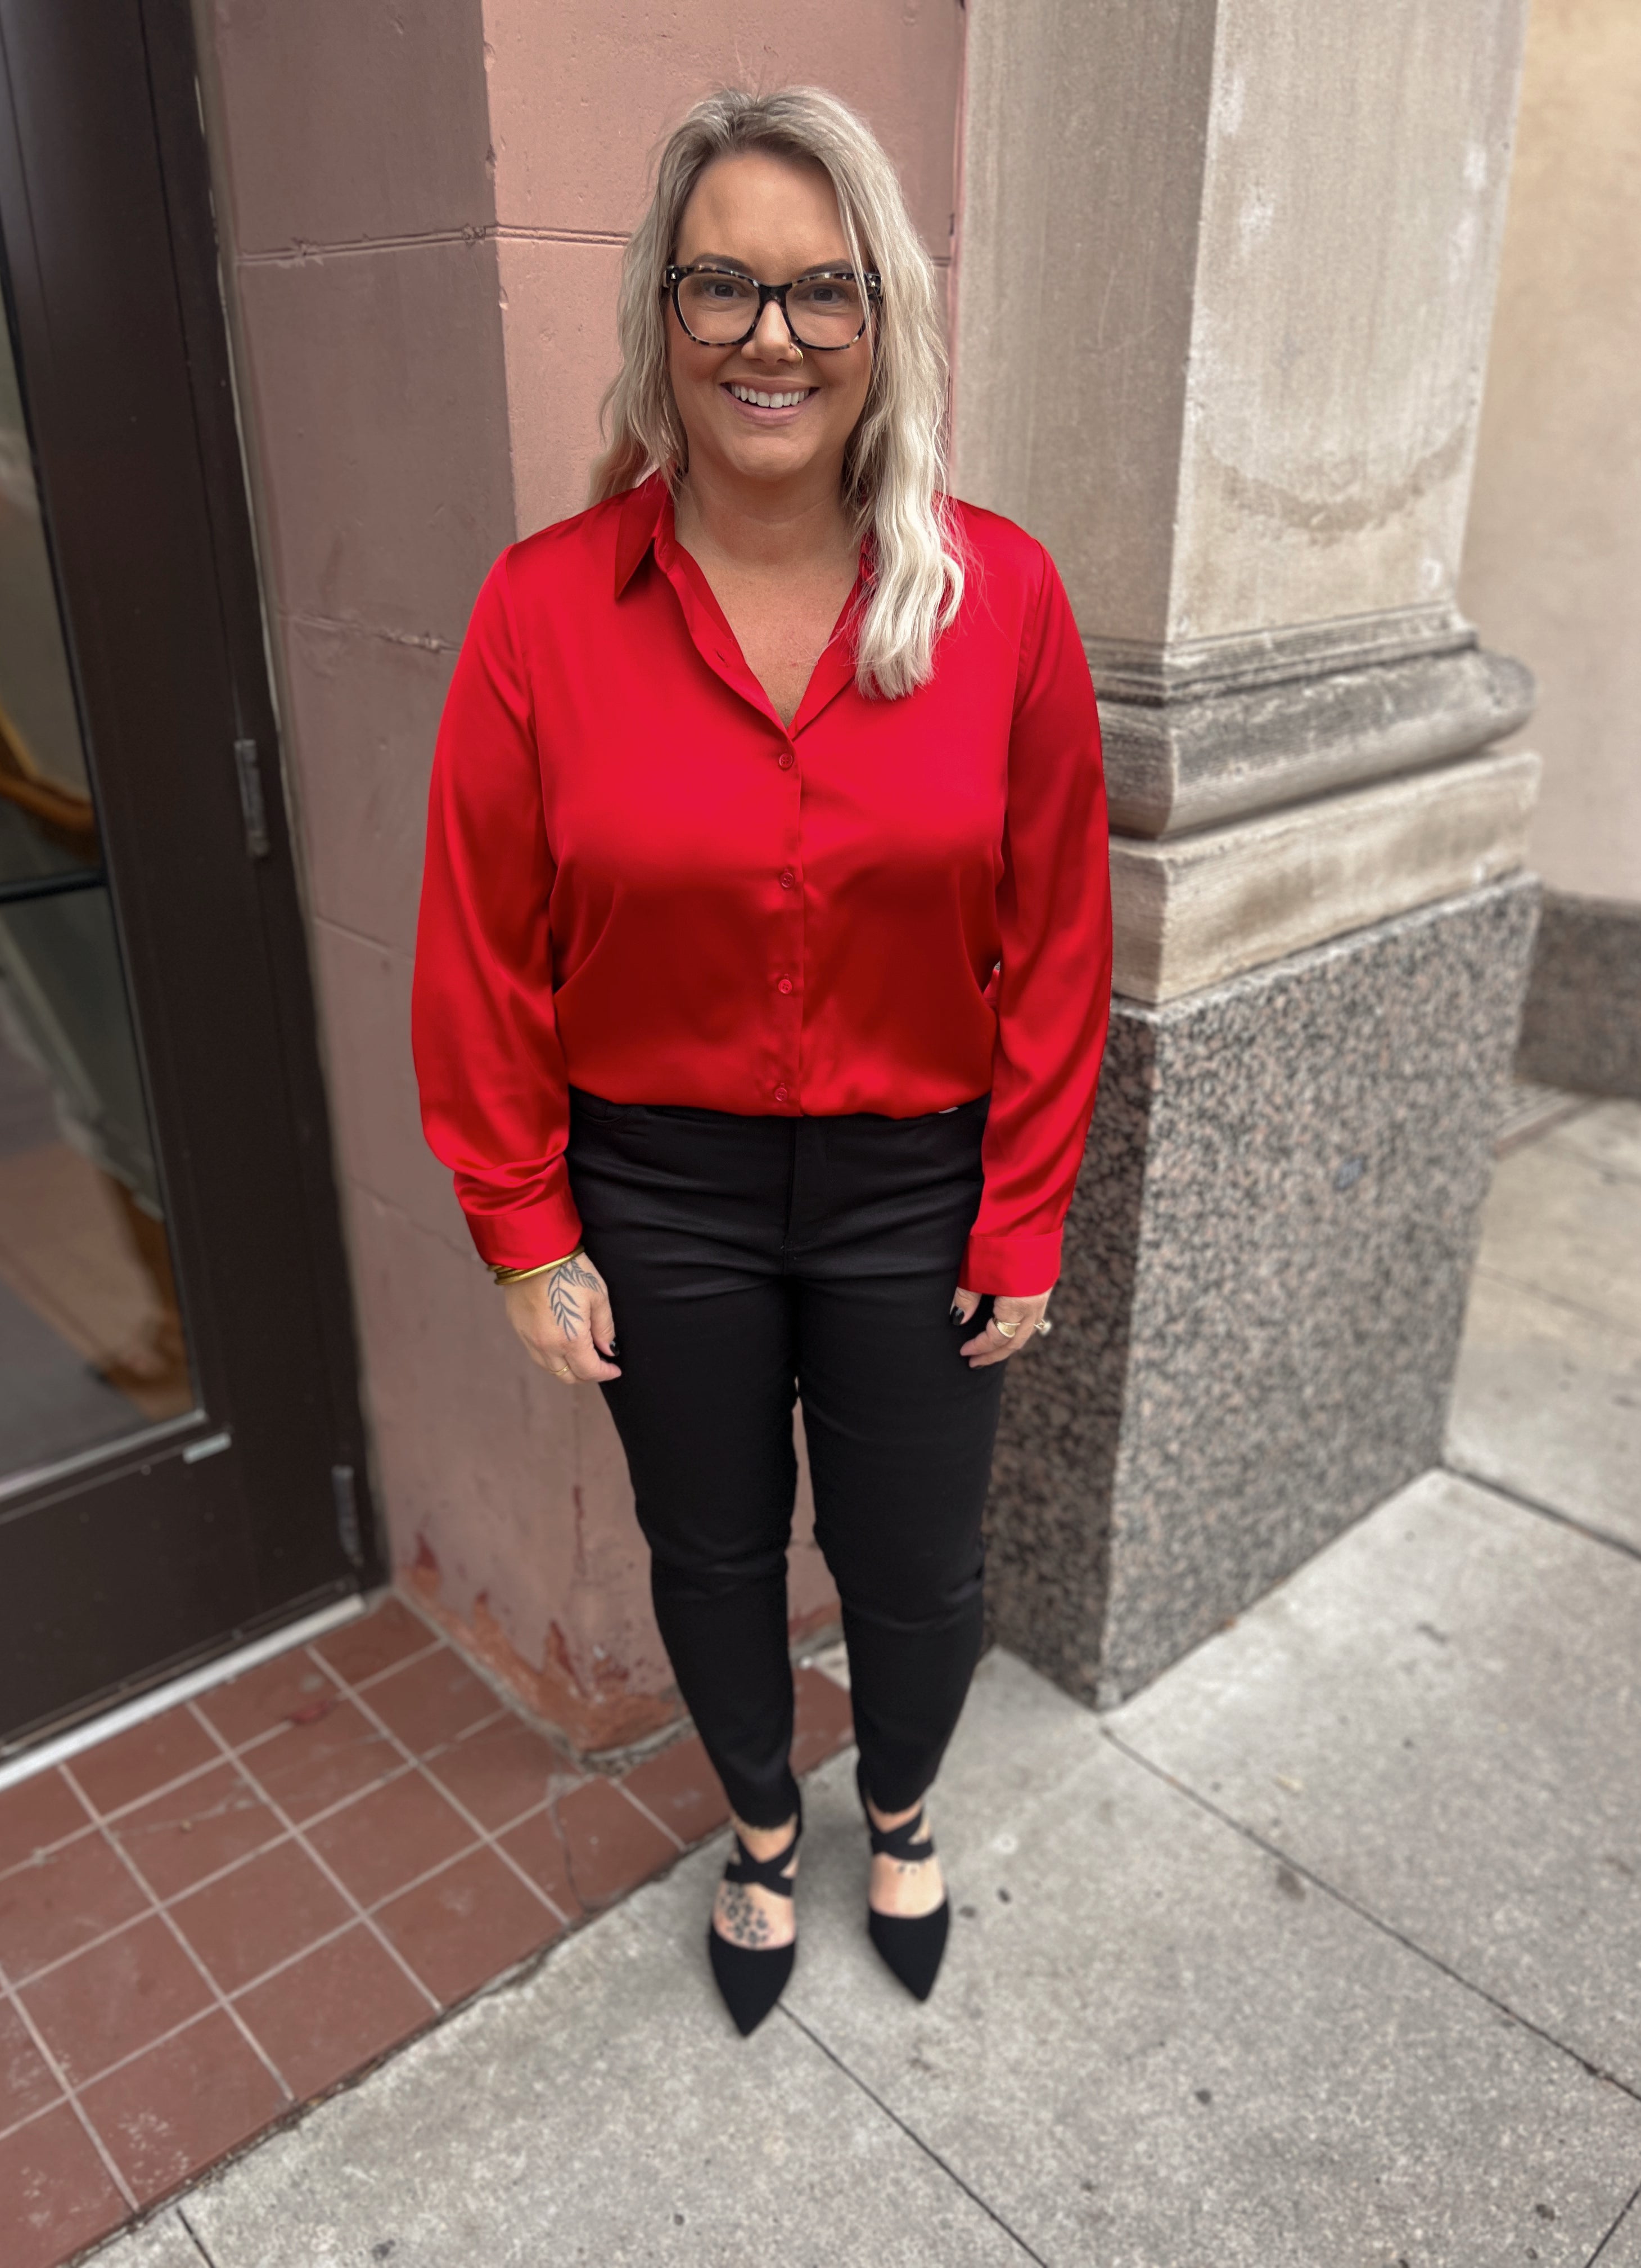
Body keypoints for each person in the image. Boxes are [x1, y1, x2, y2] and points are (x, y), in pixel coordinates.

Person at [412, 85, 1112, 2036]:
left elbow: (1059, 935)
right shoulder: (544, 614)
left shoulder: (1003, 599)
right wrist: (526, 1225)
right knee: (707, 1547)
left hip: (921, 1188)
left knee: (919, 1562)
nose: (771, 337)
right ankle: (759, 1835)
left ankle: (895, 1813)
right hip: (660, 1193)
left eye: (822, 291)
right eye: (722, 285)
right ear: (660, 318)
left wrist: (1028, 1209)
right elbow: (482, 942)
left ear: (884, 322)